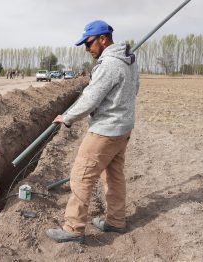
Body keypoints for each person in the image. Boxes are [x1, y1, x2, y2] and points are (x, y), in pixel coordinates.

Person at [46, 20, 139, 243]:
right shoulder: (130, 60)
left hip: (105, 131)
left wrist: (66, 117)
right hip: (123, 128)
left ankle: (73, 228)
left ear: (103, 39)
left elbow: (90, 98)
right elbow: (135, 89)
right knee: (114, 175)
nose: (87, 50)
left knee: (81, 176)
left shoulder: (109, 64)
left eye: (88, 44)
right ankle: (116, 222)